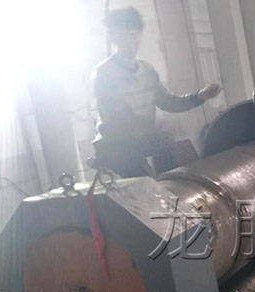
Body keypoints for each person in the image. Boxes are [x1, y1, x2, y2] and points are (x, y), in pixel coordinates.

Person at [92, 7, 221, 177]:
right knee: (143, 178)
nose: (131, 42)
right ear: (113, 37)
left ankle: (169, 185)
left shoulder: (147, 70)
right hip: (117, 144)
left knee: (166, 147)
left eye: (134, 35)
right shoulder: (104, 73)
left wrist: (200, 97)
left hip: (142, 138)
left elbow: (169, 102)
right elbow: (115, 116)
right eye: (124, 36)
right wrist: (149, 124)